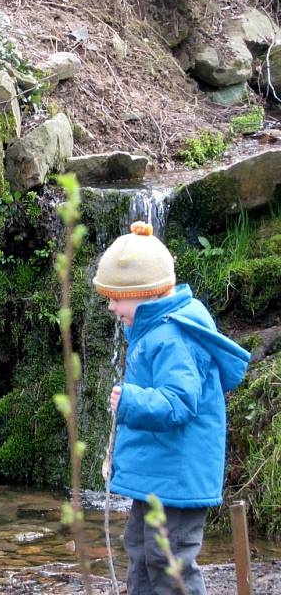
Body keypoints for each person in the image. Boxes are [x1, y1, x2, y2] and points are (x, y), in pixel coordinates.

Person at [93, 221, 251, 595]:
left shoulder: (172, 336)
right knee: (141, 550)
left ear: (145, 293)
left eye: (116, 297)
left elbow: (180, 401)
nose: (111, 305)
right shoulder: (152, 331)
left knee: (170, 559)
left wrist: (132, 401)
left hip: (178, 478)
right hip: (158, 476)